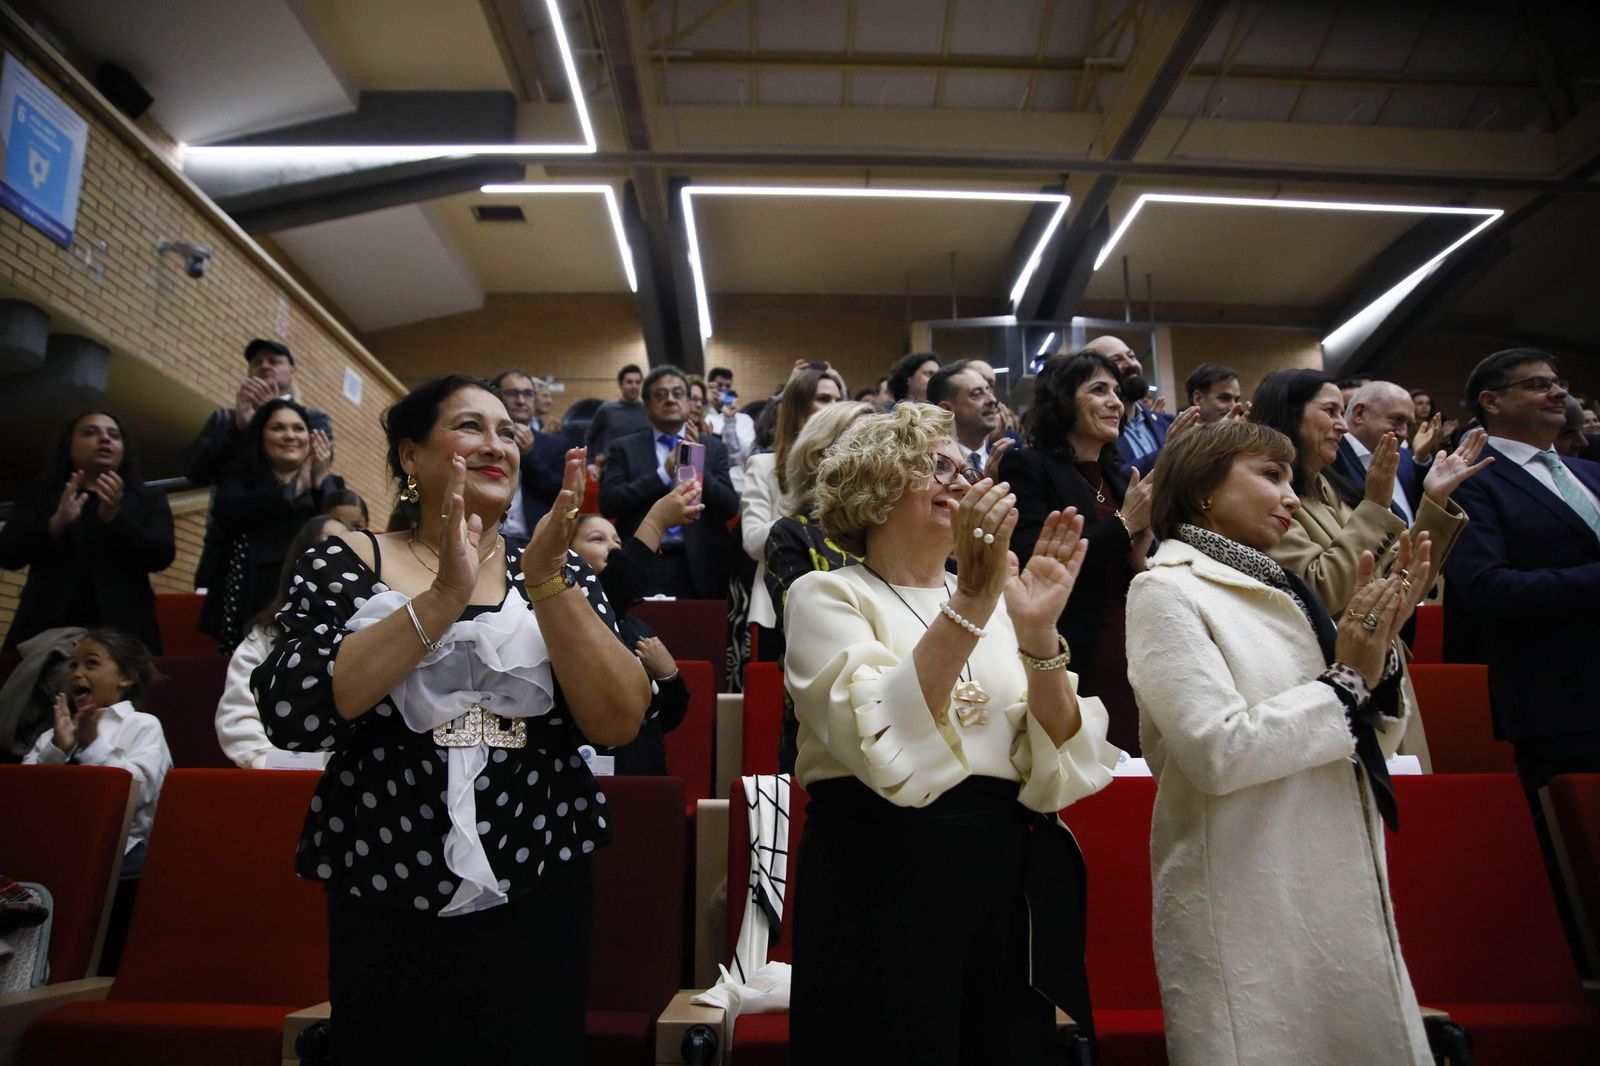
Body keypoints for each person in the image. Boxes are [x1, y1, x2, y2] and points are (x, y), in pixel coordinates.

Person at [251, 374, 649, 1065]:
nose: (497, 444)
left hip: (540, 859)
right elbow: (294, 709)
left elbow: (617, 721)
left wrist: (550, 582)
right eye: (470, 427)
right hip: (386, 862)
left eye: (507, 431)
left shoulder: (554, 569)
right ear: (410, 454)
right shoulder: (350, 556)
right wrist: (440, 599)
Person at [784, 402, 1119, 1064]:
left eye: (966, 468)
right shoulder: (828, 596)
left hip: (999, 877)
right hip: (879, 868)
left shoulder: (998, 604)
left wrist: (1037, 633)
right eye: (935, 466)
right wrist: (971, 600)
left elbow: (1057, 757)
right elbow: (873, 731)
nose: (961, 482)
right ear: (874, 486)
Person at [1127, 420, 1436, 1066]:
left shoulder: (1283, 586)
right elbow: (1217, 753)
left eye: (1292, 479)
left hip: (1330, 876)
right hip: (1249, 892)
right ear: (1203, 488)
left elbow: (1357, 730)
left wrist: (1377, 660)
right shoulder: (1165, 589)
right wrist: (1348, 679)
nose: (1292, 497)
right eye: (1269, 476)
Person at [1444, 349, 1600, 794]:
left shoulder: (1589, 472)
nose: (1558, 392)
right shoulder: (1468, 480)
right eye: (1537, 385)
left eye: (1557, 382)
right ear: (1491, 402)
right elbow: (1487, 588)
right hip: (1559, 700)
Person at [1000, 351, 1154, 754]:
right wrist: (1124, 525)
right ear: (1064, 400)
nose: (1116, 402)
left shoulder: (1122, 479)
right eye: (1098, 390)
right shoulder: (1028, 466)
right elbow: (1035, 561)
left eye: (1117, 392)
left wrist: (1142, 562)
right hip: (1079, 648)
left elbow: (1133, 558)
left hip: (1138, 644)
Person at [1250, 369, 1484, 618]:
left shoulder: (1329, 486)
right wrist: (1374, 505)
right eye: (1330, 412)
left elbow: (1401, 581)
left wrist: (1435, 500)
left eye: (1342, 412)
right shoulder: (1266, 496)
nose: (1342, 426)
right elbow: (1320, 593)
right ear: (1290, 414)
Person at [0, 411, 174, 654]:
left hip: (125, 633)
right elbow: (7, 553)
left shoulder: (148, 498)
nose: (104, 439)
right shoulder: (41, 494)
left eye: (113, 435)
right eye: (90, 432)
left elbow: (162, 555)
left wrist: (114, 519)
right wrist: (55, 523)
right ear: (69, 447)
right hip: (44, 629)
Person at [762, 400, 875, 771]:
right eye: (866, 440)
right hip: (825, 723)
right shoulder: (792, 534)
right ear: (819, 456)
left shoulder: (894, 532)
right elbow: (810, 631)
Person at [183, 339, 333, 602]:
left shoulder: (314, 419)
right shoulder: (226, 420)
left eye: (274, 361)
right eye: (256, 362)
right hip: (229, 546)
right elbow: (196, 472)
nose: (264, 366)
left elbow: (315, 473)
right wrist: (239, 429)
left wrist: (271, 415)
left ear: (292, 372)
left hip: (289, 546)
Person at [200, 399, 344, 652]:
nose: (290, 436)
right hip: (249, 593)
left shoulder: (329, 485)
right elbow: (227, 513)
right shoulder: (239, 476)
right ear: (260, 436)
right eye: (278, 428)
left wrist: (319, 481)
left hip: (310, 598)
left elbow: (344, 532)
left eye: (298, 429)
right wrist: (294, 489)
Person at [25, 628, 170, 874]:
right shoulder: (55, 734)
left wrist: (92, 746)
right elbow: (25, 795)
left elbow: (138, 793)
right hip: (57, 846)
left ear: (126, 677)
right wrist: (59, 750)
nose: (77, 673)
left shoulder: (142, 725)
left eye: (91, 664)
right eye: (73, 665)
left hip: (122, 851)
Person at [215, 515, 349, 769]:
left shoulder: (371, 627)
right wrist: (270, 766)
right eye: (330, 543)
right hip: (276, 780)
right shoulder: (267, 635)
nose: (338, 554)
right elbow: (238, 715)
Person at [569, 510, 694, 774]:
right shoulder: (568, 616)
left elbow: (670, 717)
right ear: (568, 553)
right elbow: (617, 584)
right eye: (597, 539)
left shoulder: (639, 629)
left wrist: (669, 674)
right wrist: (657, 520)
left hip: (642, 770)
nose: (613, 546)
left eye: (616, 540)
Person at [600, 365, 739, 599]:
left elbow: (729, 507)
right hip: (642, 560)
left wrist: (696, 462)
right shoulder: (623, 447)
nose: (670, 400)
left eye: (677, 394)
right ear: (647, 405)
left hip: (700, 563)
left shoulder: (714, 448)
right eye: (660, 395)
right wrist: (663, 474)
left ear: (688, 401)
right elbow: (610, 503)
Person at [743, 367, 845, 632]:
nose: (833, 407)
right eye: (823, 399)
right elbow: (753, 542)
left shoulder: (854, 472)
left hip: (846, 592)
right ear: (798, 408)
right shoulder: (763, 466)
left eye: (838, 399)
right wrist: (811, 511)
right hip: (780, 600)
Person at [1332, 381, 1430, 524]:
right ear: (1360, 413)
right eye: (1397, 419)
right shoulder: (1331, 459)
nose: (1403, 432)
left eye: (1408, 424)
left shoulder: (1404, 457)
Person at [491, 369, 566, 549]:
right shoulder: (483, 443)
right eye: (512, 393)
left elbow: (559, 494)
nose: (521, 400)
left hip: (537, 546)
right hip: (485, 540)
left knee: (557, 579)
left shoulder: (555, 444)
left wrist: (529, 456)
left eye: (527, 394)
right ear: (496, 397)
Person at [1083, 335, 1173, 475]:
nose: (1131, 364)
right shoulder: (1092, 433)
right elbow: (1112, 481)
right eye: (1117, 360)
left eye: (1131, 356)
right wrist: (1171, 450)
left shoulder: (1170, 424)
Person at [928, 359, 1020, 479]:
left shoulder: (1008, 458)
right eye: (977, 394)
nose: (992, 400)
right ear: (946, 410)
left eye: (989, 390)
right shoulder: (932, 466)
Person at [705, 366, 757, 493]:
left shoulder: (744, 419)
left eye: (727, 386)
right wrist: (704, 401)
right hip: (711, 484)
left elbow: (747, 453)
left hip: (740, 484)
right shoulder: (703, 417)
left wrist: (730, 420)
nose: (723, 389)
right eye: (719, 385)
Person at [584, 363, 649, 457]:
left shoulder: (649, 410)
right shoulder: (606, 410)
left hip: (643, 465)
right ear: (620, 384)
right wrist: (591, 462)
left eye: (638, 382)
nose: (634, 386)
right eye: (629, 382)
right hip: (612, 466)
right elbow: (590, 437)